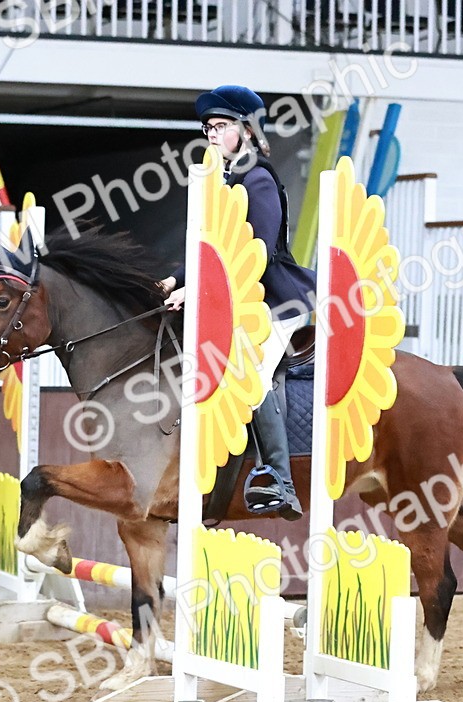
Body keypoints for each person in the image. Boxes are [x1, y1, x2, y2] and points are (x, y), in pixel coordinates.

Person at [160, 85, 316, 521]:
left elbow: (257, 252)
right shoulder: (221, 183)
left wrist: (201, 289)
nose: (211, 134)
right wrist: (177, 278)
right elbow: (213, 246)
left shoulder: (258, 179)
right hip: (239, 296)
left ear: (246, 131)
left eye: (221, 126)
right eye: (208, 128)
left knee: (249, 370)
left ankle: (281, 478)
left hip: (277, 299)